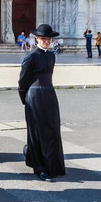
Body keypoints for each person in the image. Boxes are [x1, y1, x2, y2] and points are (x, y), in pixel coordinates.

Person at [18, 23, 66, 182]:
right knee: (38, 132)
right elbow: (23, 80)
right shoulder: (31, 56)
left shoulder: (51, 55)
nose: (46, 41)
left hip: (49, 94)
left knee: (52, 129)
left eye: (48, 39)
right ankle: (40, 168)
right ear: (37, 39)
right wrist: (25, 98)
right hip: (34, 95)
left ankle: (51, 163)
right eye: (43, 39)